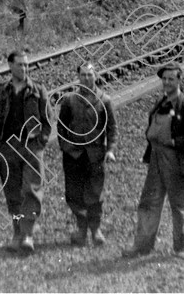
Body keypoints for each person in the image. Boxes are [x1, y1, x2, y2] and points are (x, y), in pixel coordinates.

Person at [122, 62, 184, 259]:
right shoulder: (161, 103)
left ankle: (182, 246)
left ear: (179, 80)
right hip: (157, 157)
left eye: (171, 79)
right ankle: (142, 245)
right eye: (164, 79)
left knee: (178, 202)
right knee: (149, 201)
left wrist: (174, 141)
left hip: (174, 159)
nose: (166, 82)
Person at [0, 48, 52, 254]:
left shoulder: (37, 90)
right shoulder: (2, 91)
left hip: (31, 148)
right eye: (20, 64)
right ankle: (17, 232)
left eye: (27, 64)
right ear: (10, 66)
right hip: (8, 148)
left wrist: (39, 143)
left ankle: (27, 234)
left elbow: (47, 121)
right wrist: (0, 146)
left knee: (32, 191)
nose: (24, 68)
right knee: (12, 193)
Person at [58, 61, 118, 246]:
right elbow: (61, 127)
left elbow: (112, 128)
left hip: (95, 155)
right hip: (73, 155)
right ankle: (81, 230)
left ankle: (95, 230)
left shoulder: (104, 100)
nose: (86, 78)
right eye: (83, 75)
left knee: (94, 193)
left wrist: (110, 150)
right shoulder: (69, 100)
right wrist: (66, 147)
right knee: (73, 193)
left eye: (90, 75)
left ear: (96, 76)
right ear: (78, 77)